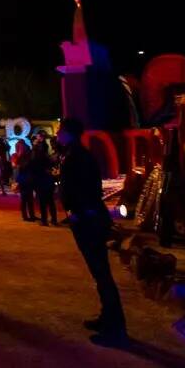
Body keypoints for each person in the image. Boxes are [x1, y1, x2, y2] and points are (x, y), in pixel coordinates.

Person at [57, 117, 127, 347]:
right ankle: (108, 317)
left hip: (89, 220)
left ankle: (115, 327)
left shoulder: (78, 156)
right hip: (87, 218)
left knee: (101, 272)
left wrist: (80, 212)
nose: (57, 134)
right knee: (99, 273)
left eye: (61, 130)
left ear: (69, 133)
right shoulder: (75, 154)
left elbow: (87, 189)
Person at [31, 132, 59, 226]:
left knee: (43, 201)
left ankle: (44, 220)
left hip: (41, 180)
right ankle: (54, 220)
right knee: (50, 201)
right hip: (48, 180)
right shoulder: (48, 157)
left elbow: (34, 167)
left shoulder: (37, 158)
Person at [13, 140, 36, 221]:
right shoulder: (27, 155)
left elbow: (16, 169)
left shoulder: (17, 157)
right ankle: (30, 215)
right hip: (27, 178)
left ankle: (26, 216)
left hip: (23, 179)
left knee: (25, 198)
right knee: (28, 198)